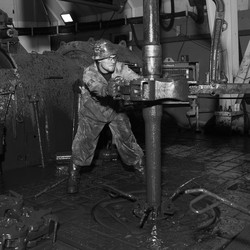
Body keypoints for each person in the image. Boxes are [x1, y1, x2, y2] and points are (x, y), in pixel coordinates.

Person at [67, 38, 145, 194]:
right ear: (98, 59)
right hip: (93, 113)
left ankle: (141, 171)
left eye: (114, 57)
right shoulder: (89, 72)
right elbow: (98, 88)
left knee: (127, 140)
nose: (112, 61)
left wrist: (144, 85)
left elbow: (136, 80)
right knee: (83, 145)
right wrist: (109, 88)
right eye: (108, 58)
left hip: (115, 111)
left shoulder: (120, 68)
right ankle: (73, 177)